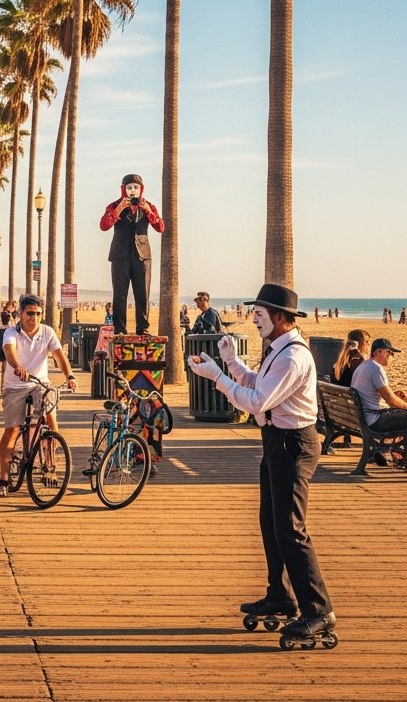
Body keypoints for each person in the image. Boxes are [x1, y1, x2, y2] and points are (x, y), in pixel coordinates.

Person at [188, 283, 336, 643]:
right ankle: (281, 596)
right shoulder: (278, 349)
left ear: (281, 318)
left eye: (260, 313)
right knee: (271, 522)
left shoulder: (291, 356)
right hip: (276, 442)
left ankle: (319, 611)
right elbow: (259, 385)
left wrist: (219, 378)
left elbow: (257, 401)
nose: (254, 318)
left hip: (293, 445)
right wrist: (230, 363)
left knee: (291, 527)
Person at [0, 294, 76, 497]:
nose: (34, 318)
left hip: (40, 383)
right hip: (15, 385)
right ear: (20, 314)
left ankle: (50, 464)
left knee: (50, 416)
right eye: (30, 313)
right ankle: (4, 478)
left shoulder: (47, 332)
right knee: (11, 430)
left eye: (38, 314)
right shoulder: (11, 332)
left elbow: (59, 355)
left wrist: (70, 375)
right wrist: (18, 366)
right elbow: (9, 351)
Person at [99, 173, 164, 335]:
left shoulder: (148, 205)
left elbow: (160, 227)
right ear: (124, 189)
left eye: (136, 188)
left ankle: (143, 328)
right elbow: (103, 226)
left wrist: (148, 211)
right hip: (120, 254)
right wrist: (119, 209)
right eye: (129, 188)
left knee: (143, 293)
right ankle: (120, 329)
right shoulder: (114, 205)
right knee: (119, 294)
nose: (133, 191)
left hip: (143, 255)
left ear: (141, 189)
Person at [351, 338, 407, 447]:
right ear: (378, 352)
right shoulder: (376, 368)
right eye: (389, 352)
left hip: (362, 417)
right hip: (373, 420)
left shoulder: (363, 366)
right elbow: (392, 402)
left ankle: (387, 452)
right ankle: (403, 458)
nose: (390, 356)